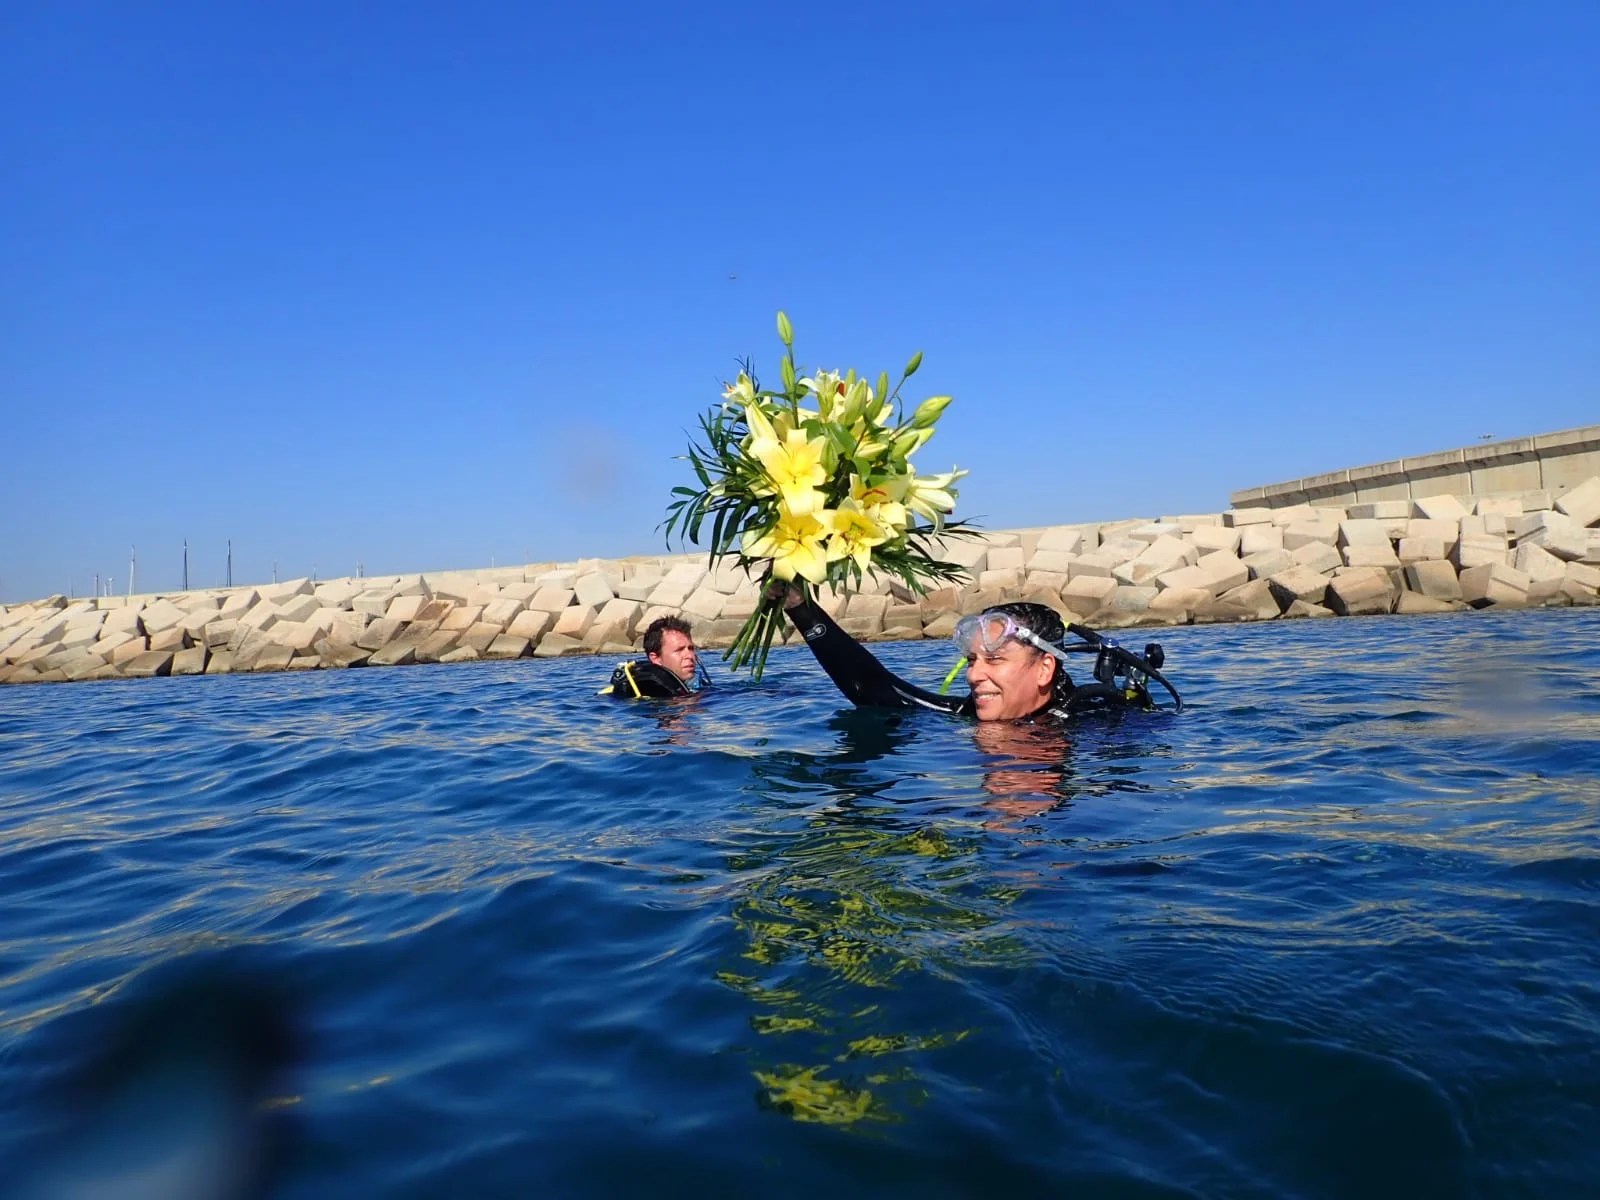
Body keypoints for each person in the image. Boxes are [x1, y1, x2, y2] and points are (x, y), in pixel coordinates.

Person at [772, 583, 1180, 721]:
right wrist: (798, 606)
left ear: (1044, 670)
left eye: (995, 660)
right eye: (972, 661)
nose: (974, 675)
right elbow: (872, 688)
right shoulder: (969, 716)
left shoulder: (1096, 716)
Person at [599, 615, 708, 699]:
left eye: (690, 648)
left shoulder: (693, 685)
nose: (689, 655)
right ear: (655, 658)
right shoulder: (650, 690)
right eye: (679, 650)